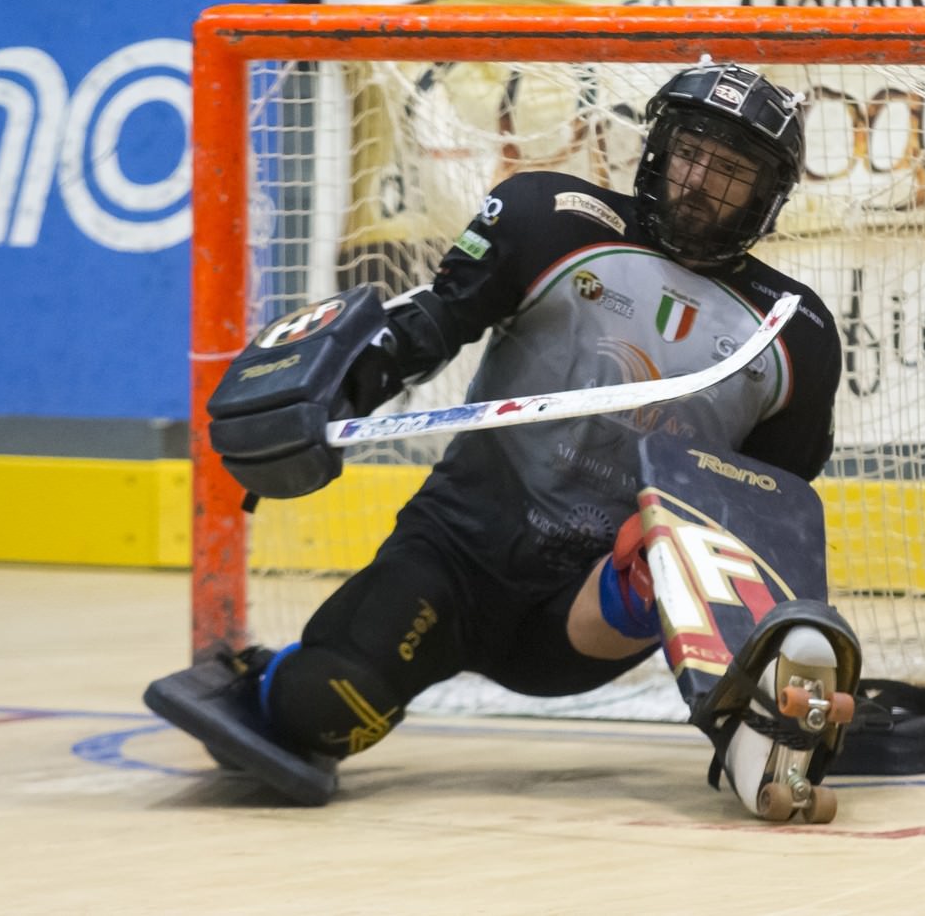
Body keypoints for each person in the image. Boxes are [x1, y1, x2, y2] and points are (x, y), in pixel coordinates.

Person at [144, 62, 861, 821]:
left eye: (731, 170)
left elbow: (764, 518)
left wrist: (774, 669)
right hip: (460, 547)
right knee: (322, 705)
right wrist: (339, 385)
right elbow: (430, 324)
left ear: (768, 195)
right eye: (691, 152)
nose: (700, 181)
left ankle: (761, 717)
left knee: (667, 549)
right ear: (658, 148)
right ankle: (262, 673)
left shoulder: (797, 332)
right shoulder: (546, 217)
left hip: (591, 608)